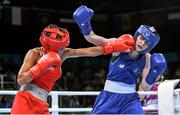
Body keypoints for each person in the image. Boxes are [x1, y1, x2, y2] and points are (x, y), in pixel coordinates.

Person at [10, 24, 135, 114]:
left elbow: (88, 52)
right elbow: (20, 80)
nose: (64, 49)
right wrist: (40, 67)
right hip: (25, 101)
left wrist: (112, 47)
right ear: (51, 45)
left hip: (42, 102)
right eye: (61, 47)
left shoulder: (62, 54)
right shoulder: (34, 53)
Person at [73, 5, 167, 114]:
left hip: (130, 100)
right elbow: (92, 38)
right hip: (109, 97)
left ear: (150, 47)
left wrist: (154, 75)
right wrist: (85, 25)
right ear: (137, 36)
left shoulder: (147, 58)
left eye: (146, 43)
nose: (142, 43)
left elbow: (145, 87)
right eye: (141, 38)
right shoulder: (121, 43)